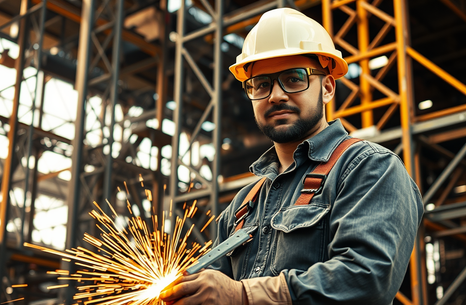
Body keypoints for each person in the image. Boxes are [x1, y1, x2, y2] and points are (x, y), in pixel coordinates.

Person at [159, 8, 424, 305]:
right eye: (261, 84)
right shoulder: (240, 208)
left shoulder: (369, 168)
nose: (275, 95)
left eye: (294, 78)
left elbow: (366, 279)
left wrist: (242, 295)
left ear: (327, 87)